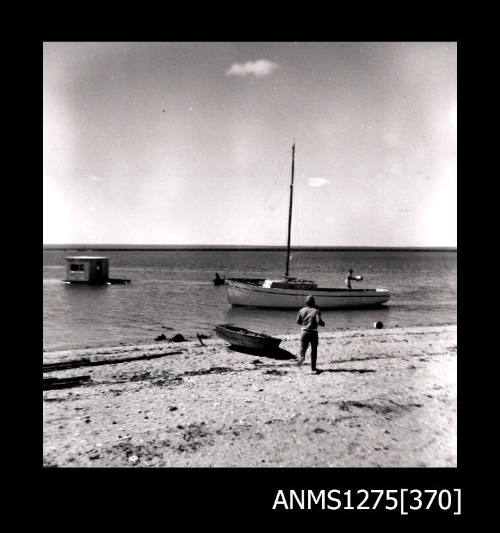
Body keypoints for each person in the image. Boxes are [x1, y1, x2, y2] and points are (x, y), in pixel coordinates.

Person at [296, 295, 325, 374]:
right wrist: (323, 323)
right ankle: (313, 368)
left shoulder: (301, 310)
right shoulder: (316, 311)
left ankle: (302, 357)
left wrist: (305, 322)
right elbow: (319, 321)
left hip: (304, 331)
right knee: (314, 350)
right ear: (314, 302)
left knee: (303, 347)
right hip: (313, 332)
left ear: (306, 302)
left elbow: (298, 322)